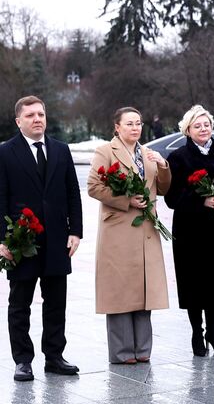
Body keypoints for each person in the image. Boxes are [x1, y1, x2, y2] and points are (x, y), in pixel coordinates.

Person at [0, 95, 83, 382]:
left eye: (41, 114)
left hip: (58, 240)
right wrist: (2, 240)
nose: (37, 119)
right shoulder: (5, 152)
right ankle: (23, 360)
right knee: (20, 304)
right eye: (31, 115)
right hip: (22, 242)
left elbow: (73, 192)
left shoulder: (60, 150)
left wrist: (76, 232)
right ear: (18, 121)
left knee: (56, 301)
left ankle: (54, 357)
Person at [87, 107, 171, 364]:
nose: (135, 128)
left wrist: (163, 165)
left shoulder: (146, 152)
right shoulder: (105, 151)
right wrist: (126, 200)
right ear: (117, 127)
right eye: (130, 124)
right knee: (120, 291)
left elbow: (164, 188)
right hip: (119, 230)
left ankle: (142, 349)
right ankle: (122, 352)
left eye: (138, 123)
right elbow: (93, 186)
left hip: (146, 229)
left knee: (145, 289)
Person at [165, 105, 214, 357]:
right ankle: (196, 333)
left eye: (207, 124)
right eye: (197, 126)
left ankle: (213, 331)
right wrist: (200, 201)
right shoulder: (178, 158)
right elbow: (171, 196)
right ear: (187, 130)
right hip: (191, 232)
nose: (203, 129)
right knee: (194, 283)